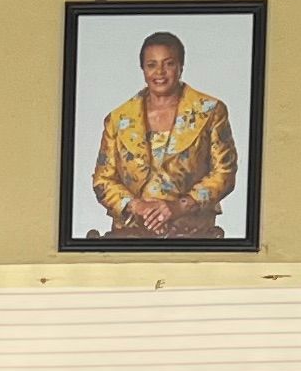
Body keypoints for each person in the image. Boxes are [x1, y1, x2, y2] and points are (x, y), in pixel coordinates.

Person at [85, 29, 240, 242]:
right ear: (142, 69)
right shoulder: (118, 119)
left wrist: (178, 206)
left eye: (169, 63)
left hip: (195, 233)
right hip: (130, 234)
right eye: (152, 65)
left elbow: (225, 173)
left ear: (181, 67)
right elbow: (103, 180)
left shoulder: (210, 111)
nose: (160, 72)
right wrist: (138, 206)